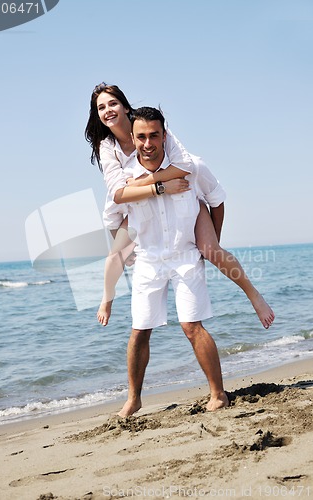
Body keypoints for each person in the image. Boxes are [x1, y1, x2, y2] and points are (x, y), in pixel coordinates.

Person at [85, 83, 275, 330]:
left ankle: (254, 296)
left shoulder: (149, 123)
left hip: (175, 192)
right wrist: (152, 187)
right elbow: (119, 193)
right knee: (116, 251)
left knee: (211, 250)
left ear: (124, 105)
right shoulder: (108, 146)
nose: (108, 110)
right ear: (97, 114)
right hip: (138, 201)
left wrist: (151, 180)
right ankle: (106, 299)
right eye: (101, 107)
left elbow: (185, 165)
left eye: (113, 103)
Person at [117, 106, 229, 416]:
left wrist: (210, 244)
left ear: (165, 135)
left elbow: (217, 200)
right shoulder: (126, 179)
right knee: (140, 329)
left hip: (185, 256)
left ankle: (218, 394)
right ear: (132, 137)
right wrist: (124, 255)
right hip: (148, 261)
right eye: (141, 137)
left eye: (154, 135)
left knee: (192, 325)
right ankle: (134, 398)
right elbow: (112, 215)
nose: (148, 143)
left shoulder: (192, 166)